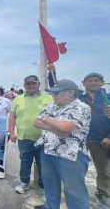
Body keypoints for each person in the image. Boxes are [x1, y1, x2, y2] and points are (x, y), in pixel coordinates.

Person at [33, 79, 91, 209]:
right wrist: (54, 126)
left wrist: (46, 119)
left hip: (70, 155)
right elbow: (36, 122)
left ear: (70, 92)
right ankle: (50, 206)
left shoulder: (82, 108)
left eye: (57, 93)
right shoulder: (53, 105)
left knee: (74, 190)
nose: (53, 96)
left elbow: (65, 128)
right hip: (48, 150)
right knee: (50, 184)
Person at [9, 75, 53, 196]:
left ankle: (43, 186)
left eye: (33, 83)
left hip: (44, 138)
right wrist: (12, 132)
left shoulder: (49, 98)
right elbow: (12, 116)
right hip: (24, 137)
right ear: (24, 86)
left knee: (43, 163)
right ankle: (24, 182)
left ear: (39, 84)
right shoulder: (18, 99)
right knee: (25, 161)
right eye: (28, 84)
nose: (31, 86)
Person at [79, 72, 110, 208]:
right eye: (89, 80)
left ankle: (103, 196)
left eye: (96, 80)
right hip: (81, 139)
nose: (93, 83)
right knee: (77, 168)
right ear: (83, 83)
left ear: (102, 83)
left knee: (104, 171)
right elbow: (57, 89)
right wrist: (52, 72)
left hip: (102, 139)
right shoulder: (78, 97)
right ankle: (77, 195)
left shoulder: (108, 97)